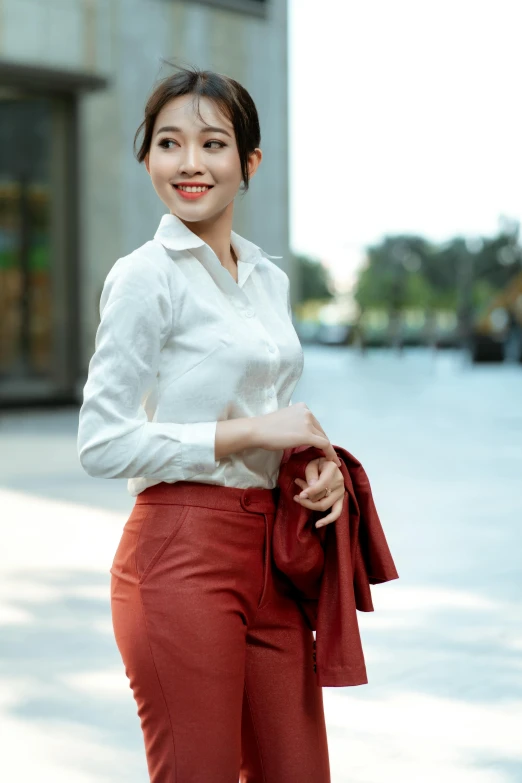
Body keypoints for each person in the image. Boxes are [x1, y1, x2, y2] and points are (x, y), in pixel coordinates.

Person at [77, 62, 346, 783]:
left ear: (250, 161)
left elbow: (271, 413)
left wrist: (315, 467)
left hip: (271, 560)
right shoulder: (146, 276)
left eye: (213, 143)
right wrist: (248, 435)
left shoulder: (268, 278)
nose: (189, 163)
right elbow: (101, 440)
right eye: (169, 143)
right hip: (178, 556)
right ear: (147, 159)